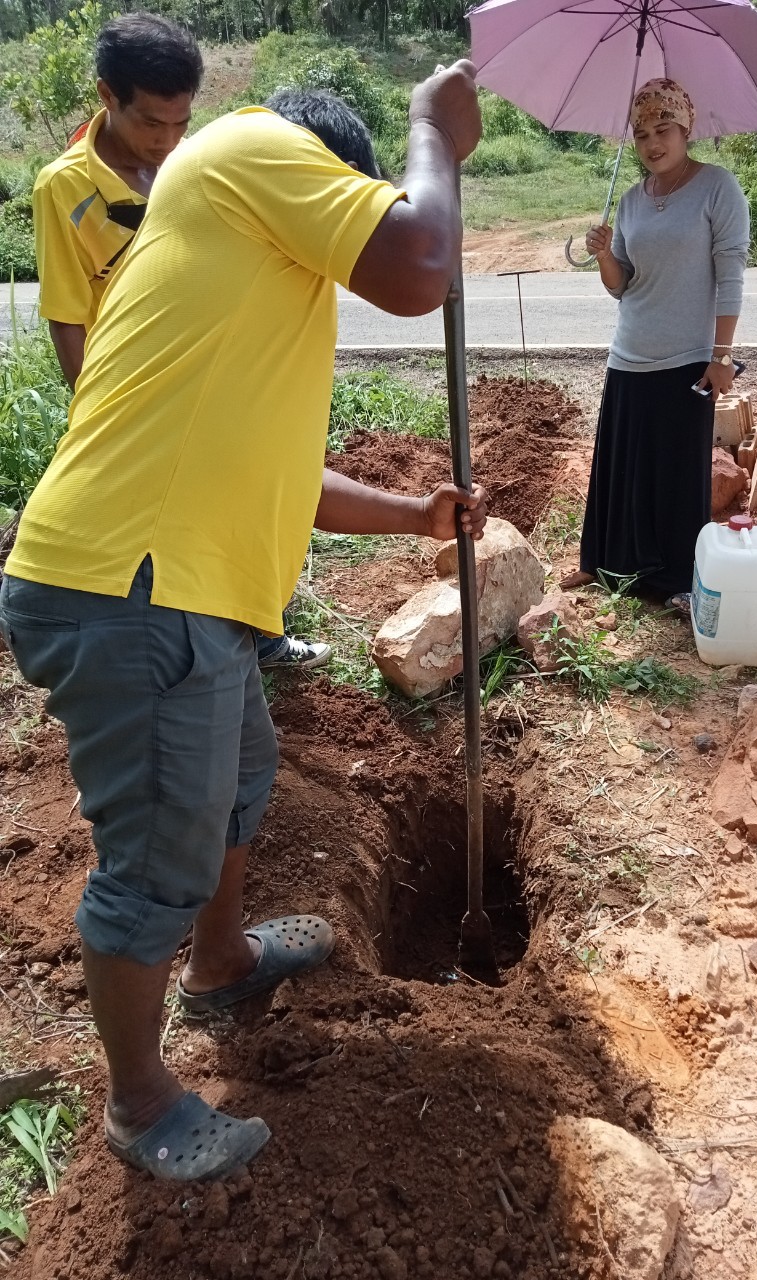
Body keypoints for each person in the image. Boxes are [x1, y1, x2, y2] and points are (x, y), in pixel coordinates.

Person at [0, 64, 485, 1182]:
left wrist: (414, 514)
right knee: (156, 860)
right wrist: (433, 135)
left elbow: (283, 469)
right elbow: (421, 261)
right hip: (135, 591)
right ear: (329, 173)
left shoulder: (236, 266)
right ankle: (140, 1100)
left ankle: (220, 964)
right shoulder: (253, 147)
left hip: (183, 596)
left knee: (244, 774)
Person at [32, 12, 329, 671]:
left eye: (180, 124)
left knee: (252, 495)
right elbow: (67, 317)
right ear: (108, 96)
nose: (166, 142)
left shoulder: (188, 167)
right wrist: (103, 416)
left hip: (221, 372)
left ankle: (264, 628)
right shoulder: (66, 188)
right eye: (149, 124)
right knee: (171, 537)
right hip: (142, 394)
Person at [561, 78, 750, 612]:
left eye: (663, 129)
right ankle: (606, 566)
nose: (652, 143)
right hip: (629, 351)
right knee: (621, 465)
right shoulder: (630, 201)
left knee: (676, 472)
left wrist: (722, 355)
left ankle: (677, 581)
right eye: (641, 133)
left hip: (687, 356)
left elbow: (730, 274)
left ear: (686, 128)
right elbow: (622, 286)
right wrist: (603, 255)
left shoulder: (717, 188)